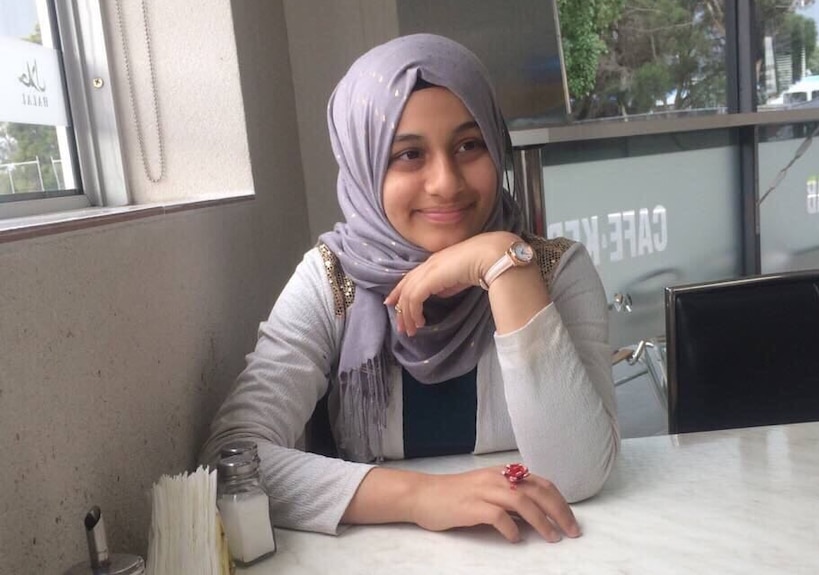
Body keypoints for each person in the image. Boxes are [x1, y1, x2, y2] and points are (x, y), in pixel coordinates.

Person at [201, 33, 619, 544]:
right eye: (408, 154)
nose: (446, 182)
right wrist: (422, 497)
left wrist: (501, 263)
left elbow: (577, 473)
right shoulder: (331, 279)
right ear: (363, 164)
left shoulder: (549, 270)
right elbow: (229, 466)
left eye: (470, 145)